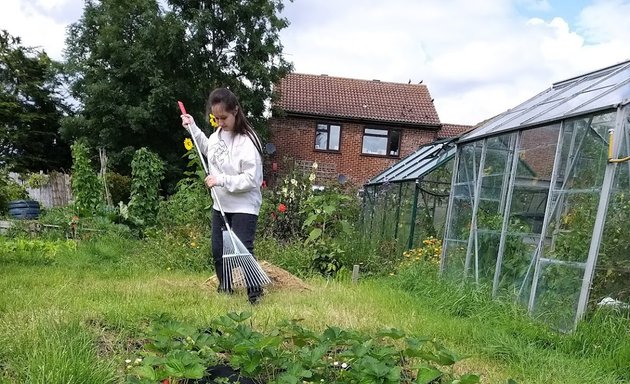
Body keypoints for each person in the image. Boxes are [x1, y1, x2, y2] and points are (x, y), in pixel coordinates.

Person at [180, 88, 264, 304]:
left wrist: (221, 180)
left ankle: (255, 294)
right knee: (218, 250)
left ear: (235, 111)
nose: (219, 123)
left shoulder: (248, 141)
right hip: (221, 204)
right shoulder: (217, 136)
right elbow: (209, 150)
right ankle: (225, 288)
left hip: (244, 205)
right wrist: (193, 128)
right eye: (216, 118)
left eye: (224, 118)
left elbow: (251, 180)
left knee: (243, 250)